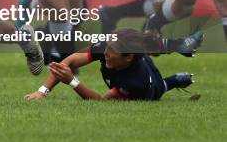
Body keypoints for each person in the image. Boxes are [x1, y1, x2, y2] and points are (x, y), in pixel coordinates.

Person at [24, 29, 195, 101]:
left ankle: (174, 80)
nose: (105, 52)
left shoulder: (136, 83)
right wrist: (42, 91)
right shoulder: (107, 47)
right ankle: (171, 46)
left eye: (111, 50)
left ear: (127, 58)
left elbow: (102, 101)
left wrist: (73, 82)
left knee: (161, 87)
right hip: (136, 60)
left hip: (151, 87)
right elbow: (69, 61)